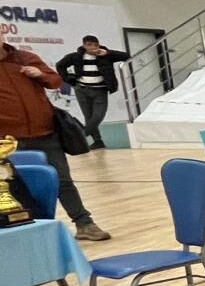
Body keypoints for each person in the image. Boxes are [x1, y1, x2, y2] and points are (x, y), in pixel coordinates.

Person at [0, 40, 110, 241]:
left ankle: (84, 223)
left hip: (46, 134)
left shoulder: (25, 57)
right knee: (14, 187)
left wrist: (39, 74)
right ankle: (30, 230)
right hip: (7, 142)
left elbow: (55, 81)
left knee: (63, 180)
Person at [55, 35, 129, 150]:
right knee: (88, 116)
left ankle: (80, 134)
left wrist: (107, 53)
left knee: (98, 116)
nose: (93, 47)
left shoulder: (106, 56)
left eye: (95, 45)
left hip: (100, 90)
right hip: (81, 90)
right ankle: (98, 141)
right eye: (89, 45)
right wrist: (69, 78)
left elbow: (127, 56)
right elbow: (60, 65)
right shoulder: (75, 56)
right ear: (84, 45)